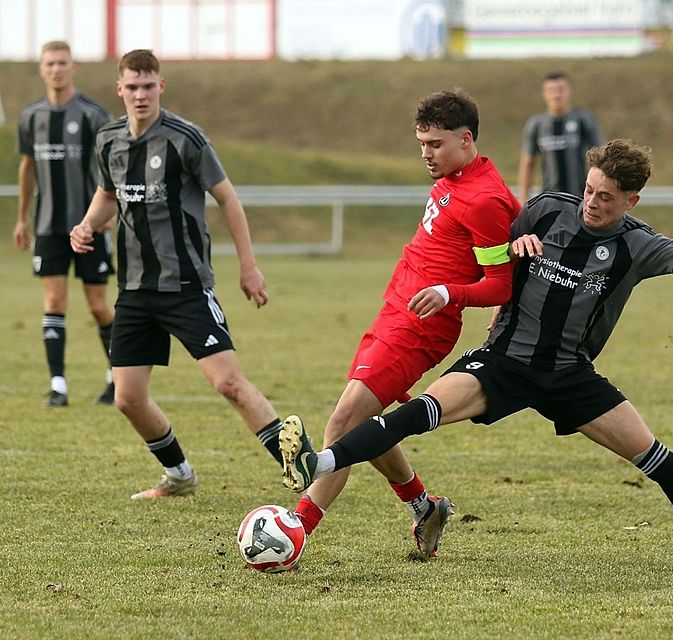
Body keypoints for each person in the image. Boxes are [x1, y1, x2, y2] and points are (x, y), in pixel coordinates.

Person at [280, 140, 673, 568]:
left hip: (569, 376)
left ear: (632, 201)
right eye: (589, 189)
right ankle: (319, 461)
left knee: (655, 458)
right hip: (505, 362)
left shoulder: (637, 244)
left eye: (607, 196)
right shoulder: (544, 211)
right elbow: (494, 264)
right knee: (416, 415)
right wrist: (513, 249)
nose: (592, 201)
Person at [279, 88, 520, 558]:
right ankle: (424, 508)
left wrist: (450, 293)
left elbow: (500, 284)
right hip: (393, 314)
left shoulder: (486, 200)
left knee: (344, 424)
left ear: (466, 139)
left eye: (434, 144)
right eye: (421, 144)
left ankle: (294, 531)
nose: (425, 154)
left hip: (419, 330)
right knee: (368, 424)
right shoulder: (455, 178)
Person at [69, 49, 287, 499]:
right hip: (134, 289)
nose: (140, 95)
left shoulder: (186, 139)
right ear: (120, 89)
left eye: (148, 86)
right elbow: (108, 194)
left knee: (229, 383)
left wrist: (249, 267)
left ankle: (303, 468)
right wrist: (89, 224)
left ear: (160, 86)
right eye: (132, 87)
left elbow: (228, 200)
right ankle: (180, 476)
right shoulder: (108, 139)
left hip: (186, 285)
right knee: (127, 398)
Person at [15, 40, 115, 407]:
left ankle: (115, 378)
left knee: (98, 306)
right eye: (50, 63)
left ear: (73, 67)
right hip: (47, 226)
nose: (56, 69)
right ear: (41, 69)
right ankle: (58, 386)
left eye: (62, 62)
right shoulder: (31, 117)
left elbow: (113, 166)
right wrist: (22, 218)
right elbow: (27, 167)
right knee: (54, 300)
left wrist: (110, 214)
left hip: (88, 227)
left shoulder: (92, 114)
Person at [517, 71, 603, 203]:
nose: (556, 95)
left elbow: (602, 159)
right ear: (544, 94)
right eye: (551, 90)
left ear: (569, 92)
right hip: (549, 201)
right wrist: (523, 199)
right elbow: (527, 163)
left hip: (580, 199)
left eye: (561, 90)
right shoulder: (536, 125)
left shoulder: (583, 120)